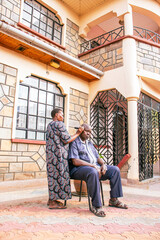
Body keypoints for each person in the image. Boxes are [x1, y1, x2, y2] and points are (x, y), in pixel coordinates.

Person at [68, 123, 128, 217]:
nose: (89, 134)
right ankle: (96, 206)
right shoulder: (75, 142)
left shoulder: (90, 143)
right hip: (78, 169)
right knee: (93, 172)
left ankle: (113, 199)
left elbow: (97, 157)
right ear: (81, 131)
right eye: (87, 131)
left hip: (94, 167)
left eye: (90, 132)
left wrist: (103, 164)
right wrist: (92, 166)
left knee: (115, 170)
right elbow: (75, 161)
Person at [46, 108, 84, 209]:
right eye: (61, 115)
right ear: (56, 115)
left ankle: (51, 199)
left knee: (52, 177)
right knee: (59, 176)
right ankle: (53, 203)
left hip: (51, 156)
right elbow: (67, 139)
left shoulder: (49, 125)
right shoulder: (59, 124)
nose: (62, 117)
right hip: (59, 156)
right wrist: (78, 133)